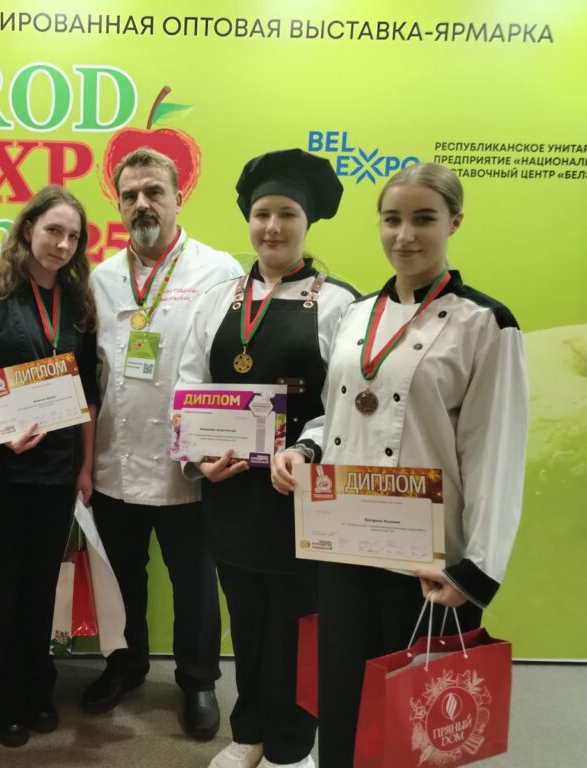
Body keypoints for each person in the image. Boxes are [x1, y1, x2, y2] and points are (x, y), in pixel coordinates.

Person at [271, 162, 529, 768]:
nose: (404, 235)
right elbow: (337, 414)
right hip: (343, 544)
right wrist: (305, 449)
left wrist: (474, 570)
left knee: (416, 723)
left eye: (423, 219)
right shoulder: (355, 314)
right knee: (342, 701)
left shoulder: (485, 323)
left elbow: (496, 454)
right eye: (392, 220)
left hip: (428, 560)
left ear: (454, 222)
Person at [176, 149, 359, 768]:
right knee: (247, 620)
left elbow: (347, 403)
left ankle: (292, 745)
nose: (272, 227)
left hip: (300, 496)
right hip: (230, 492)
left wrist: (307, 449)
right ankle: (249, 731)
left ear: (307, 222)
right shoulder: (216, 299)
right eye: (262, 214)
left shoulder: (340, 304)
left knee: (300, 625)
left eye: (286, 214)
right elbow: (190, 385)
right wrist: (199, 458)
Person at [85, 147, 244, 739]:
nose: (142, 203)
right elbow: (91, 373)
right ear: (118, 204)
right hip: (115, 460)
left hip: (189, 464)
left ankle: (198, 679)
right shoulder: (101, 277)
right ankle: (125, 665)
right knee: (123, 577)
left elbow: (231, 366)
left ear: (179, 197)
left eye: (154, 191)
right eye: (130, 195)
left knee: (194, 583)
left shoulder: (218, 270)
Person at [0, 185, 99, 748]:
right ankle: (8, 700)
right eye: (53, 231)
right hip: (4, 473)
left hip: (57, 474)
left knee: (41, 588)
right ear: (28, 228)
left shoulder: (79, 303)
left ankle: (39, 689)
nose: (62, 244)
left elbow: (88, 394)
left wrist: (85, 467)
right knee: (5, 591)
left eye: (73, 236)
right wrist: (0, 434)